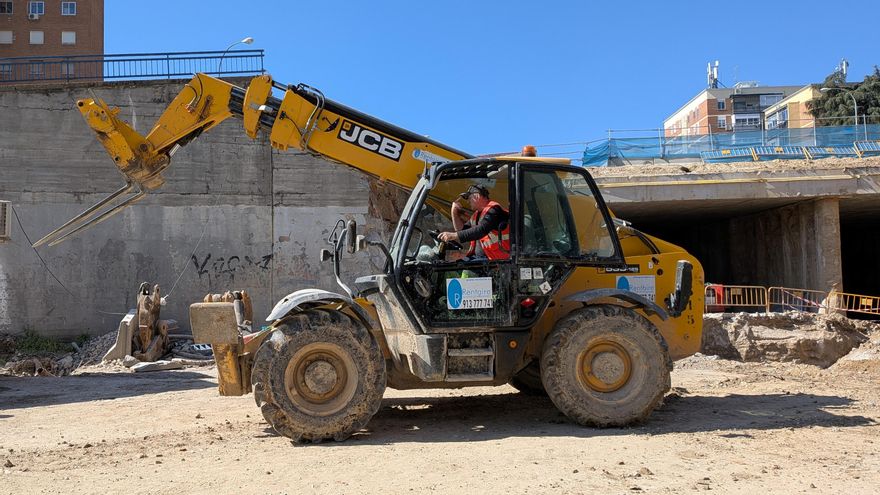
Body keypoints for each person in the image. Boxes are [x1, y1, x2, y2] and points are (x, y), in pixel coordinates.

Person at [439, 184, 510, 260]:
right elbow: (461, 231)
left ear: (477, 196)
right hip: (482, 259)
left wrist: (453, 235)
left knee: (465, 271)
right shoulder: (476, 215)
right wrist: (454, 212)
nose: (468, 201)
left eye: (469, 198)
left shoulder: (494, 210)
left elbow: (481, 230)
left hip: (500, 261)